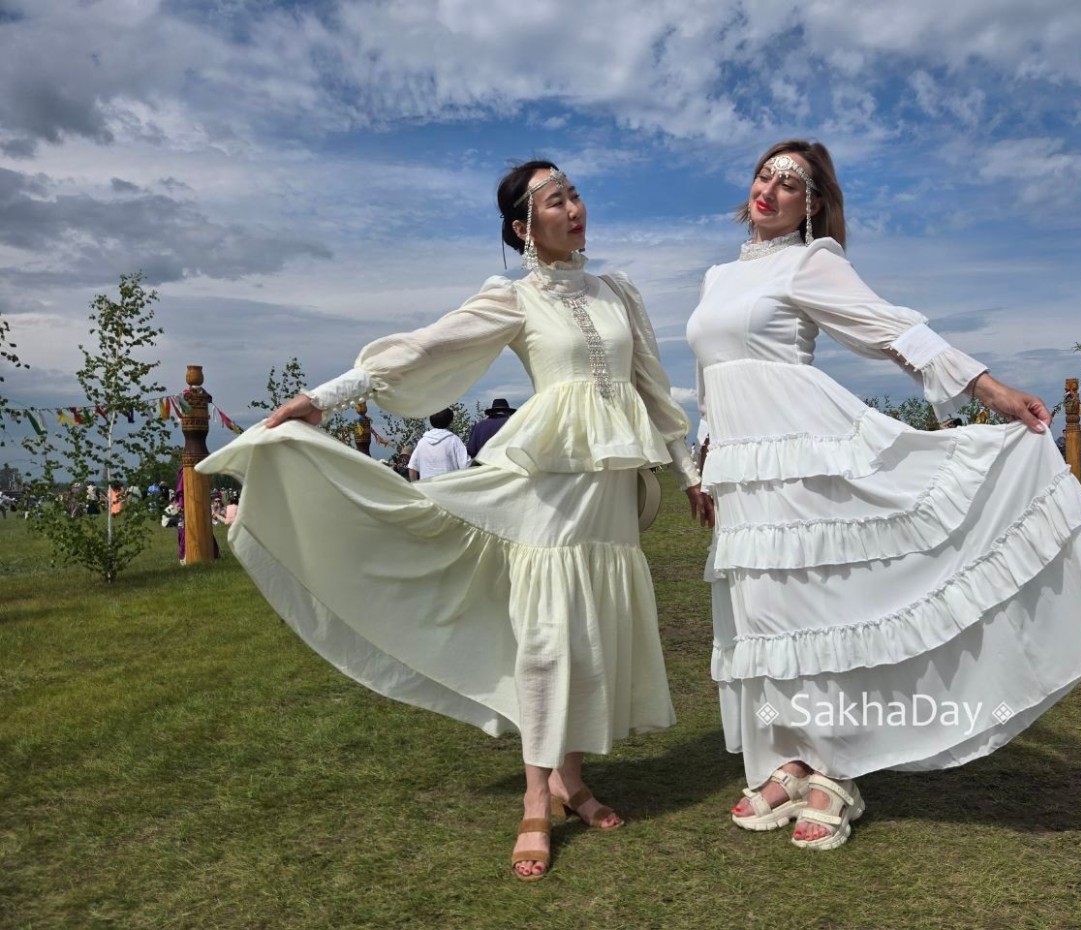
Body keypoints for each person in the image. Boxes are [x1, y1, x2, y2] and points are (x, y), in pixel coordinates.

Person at [197, 160, 707, 881]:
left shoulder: (618, 291)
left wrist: (689, 473)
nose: (574, 208)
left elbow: (653, 388)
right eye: (555, 201)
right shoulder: (514, 298)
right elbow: (424, 346)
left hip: (609, 494)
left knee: (587, 634)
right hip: (545, 489)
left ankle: (571, 779)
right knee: (546, 639)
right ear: (523, 227)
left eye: (575, 194)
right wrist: (325, 397)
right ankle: (536, 797)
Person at [686, 140, 1081, 852]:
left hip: (803, 453)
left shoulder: (811, 261)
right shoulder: (717, 277)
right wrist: (705, 461)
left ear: (813, 204)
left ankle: (835, 771)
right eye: (764, 175)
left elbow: (892, 330)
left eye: (789, 183)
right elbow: (712, 376)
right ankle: (791, 757)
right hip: (743, 467)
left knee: (814, 608)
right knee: (764, 613)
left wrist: (989, 389)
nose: (769, 189)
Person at [408, 408, 469, 480]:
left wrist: (415, 485)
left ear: (431, 421)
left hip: (426, 486)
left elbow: (412, 468)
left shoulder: (422, 442)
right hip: (449, 486)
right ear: (451, 421)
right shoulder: (454, 440)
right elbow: (466, 465)